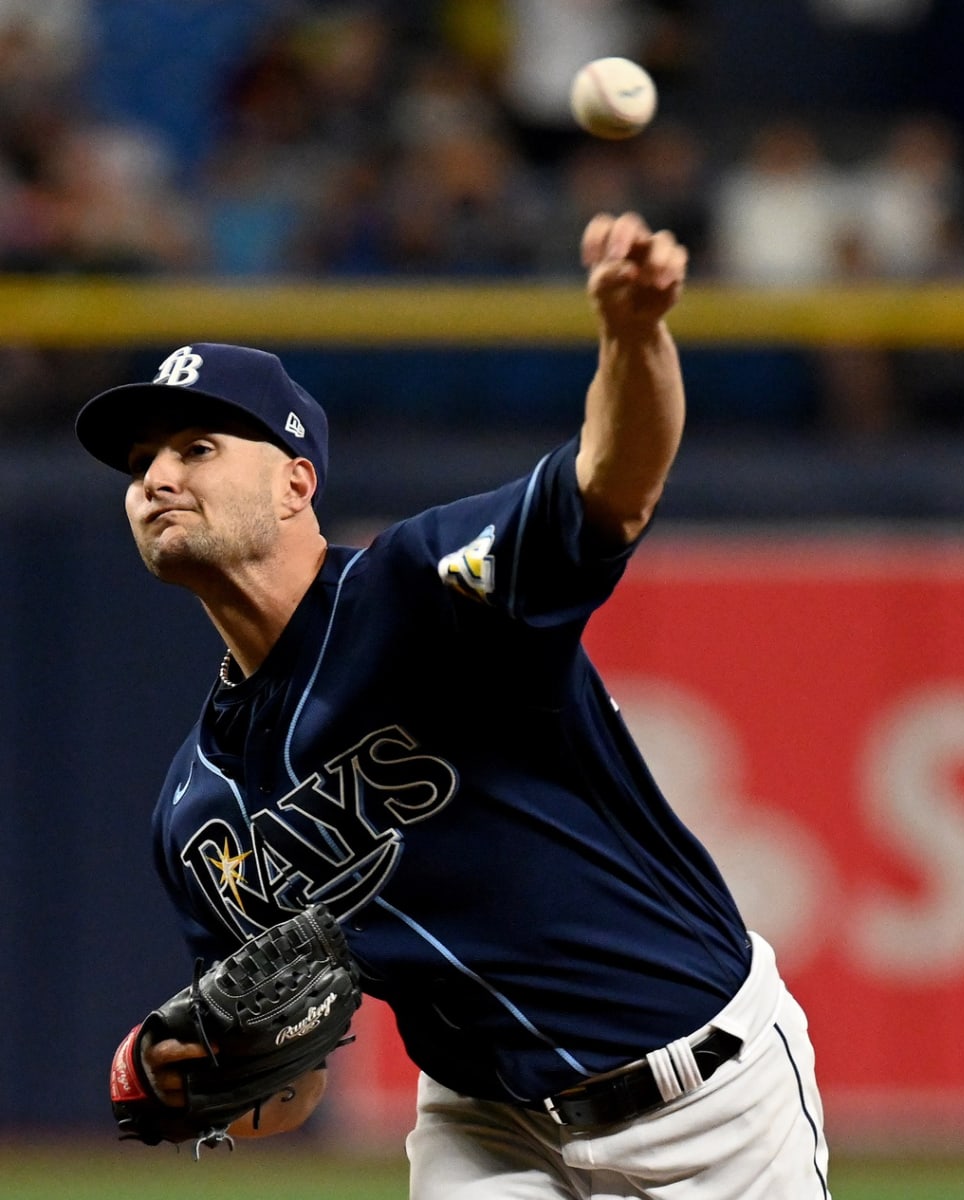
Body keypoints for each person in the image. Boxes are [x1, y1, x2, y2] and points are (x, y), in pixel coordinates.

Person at [75, 211, 831, 1198]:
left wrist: (636, 335)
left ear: (297, 482)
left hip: (708, 1104)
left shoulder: (425, 590)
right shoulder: (195, 811)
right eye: (140, 466)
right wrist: (189, 1070)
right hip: (486, 1131)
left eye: (196, 446)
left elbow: (614, 483)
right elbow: (290, 1084)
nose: (157, 479)